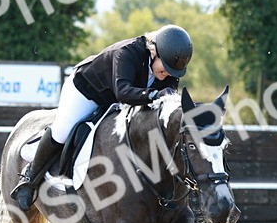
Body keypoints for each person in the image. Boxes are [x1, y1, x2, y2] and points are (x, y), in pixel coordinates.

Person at [12, 24, 193, 211]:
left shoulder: (169, 69)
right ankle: (30, 178)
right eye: (164, 70)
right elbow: (123, 91)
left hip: (117, 102)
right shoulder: (128, 52)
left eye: (171, 73)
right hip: (87, 92)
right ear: (154, 52)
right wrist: (155, 95)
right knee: (62, 132)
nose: (165, 77)